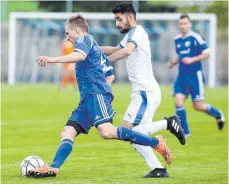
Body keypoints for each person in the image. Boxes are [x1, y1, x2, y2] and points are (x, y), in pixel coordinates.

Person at [28, 14, 173, 178]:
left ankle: (156, 142)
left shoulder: (84, 39)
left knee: (107, 131)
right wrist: (102, 87)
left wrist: (51, 59)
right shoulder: (94, 49)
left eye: (68, 34)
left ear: (77, 30)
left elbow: (79, 56)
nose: (68, 39)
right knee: (67, 132)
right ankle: (53, 168)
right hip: (88, 98)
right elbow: (110, 75)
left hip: (95, 95)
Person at [101, 3, 185, 178]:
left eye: (119, 19)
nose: (117, 23)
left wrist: (104, 63)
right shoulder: (131, 35)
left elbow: (126, 51)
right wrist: (91, 49)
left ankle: (168, 124)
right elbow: (117, 50)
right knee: (134, 136)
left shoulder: (138, 32)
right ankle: (158, 169)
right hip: (144, 92)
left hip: (144, 93)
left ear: (130, 17)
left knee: (126, 132)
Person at [168, 13, 225, 137]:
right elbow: (180, 54)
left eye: (185, 23)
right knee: (178, 101)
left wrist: (192, 59)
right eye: (180, 24)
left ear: (190, 24)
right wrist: (173, 61)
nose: (182, 26)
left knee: (197, 105)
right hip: (181, 76)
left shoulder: (196, 37)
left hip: (195, 76)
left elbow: (207, 53)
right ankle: (185, 132)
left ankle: (218, 114)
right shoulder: (177, 39)